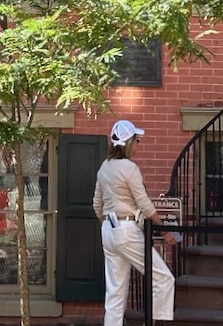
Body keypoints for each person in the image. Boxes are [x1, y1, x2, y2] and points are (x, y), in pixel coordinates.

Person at [92, 120, 175, 326]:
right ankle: (156, 322)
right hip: (127, 229)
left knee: (115, 292)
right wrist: (164, 231)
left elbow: (96, 204)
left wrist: (109, 222)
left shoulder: (105, 167)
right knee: (164, 278)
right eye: (137, 140)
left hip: (108, 230)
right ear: (129, 142)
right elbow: (144, 204)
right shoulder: (130, 168)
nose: (138, 145)